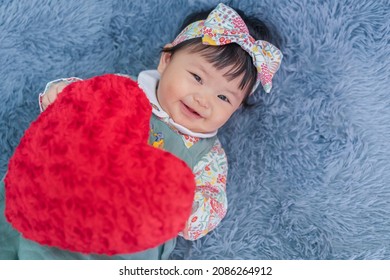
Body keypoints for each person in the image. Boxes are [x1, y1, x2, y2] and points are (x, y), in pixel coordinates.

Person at [0, 3, 282, 259]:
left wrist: (187, 208)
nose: (203, 99)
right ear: (166, 61)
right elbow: (79, 109)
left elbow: (212, 203)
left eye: (224, 98)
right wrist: (63, 94)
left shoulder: (210, 156)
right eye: (197, 77)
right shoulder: (126, 90)